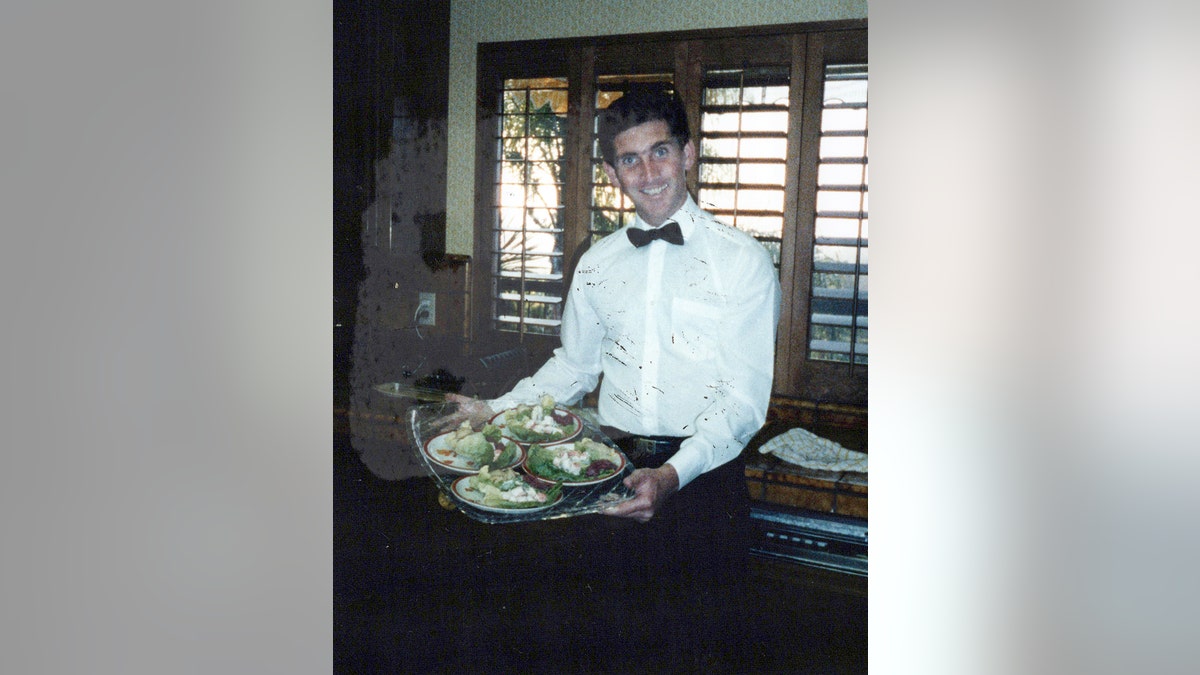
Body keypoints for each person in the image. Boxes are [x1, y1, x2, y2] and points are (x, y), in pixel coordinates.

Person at [449, 83, 781, 664]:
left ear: (688, 154)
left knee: (700, 654)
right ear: (611, 171)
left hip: (702, 485)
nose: (648, 172)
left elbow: (744, 403)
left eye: (660, 151)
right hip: (614, 476)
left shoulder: (743, 261)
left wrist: (671, 477)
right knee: (607, 650)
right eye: (629, 159)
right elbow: (573, 368)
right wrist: (492, 410)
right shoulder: (597, 262)